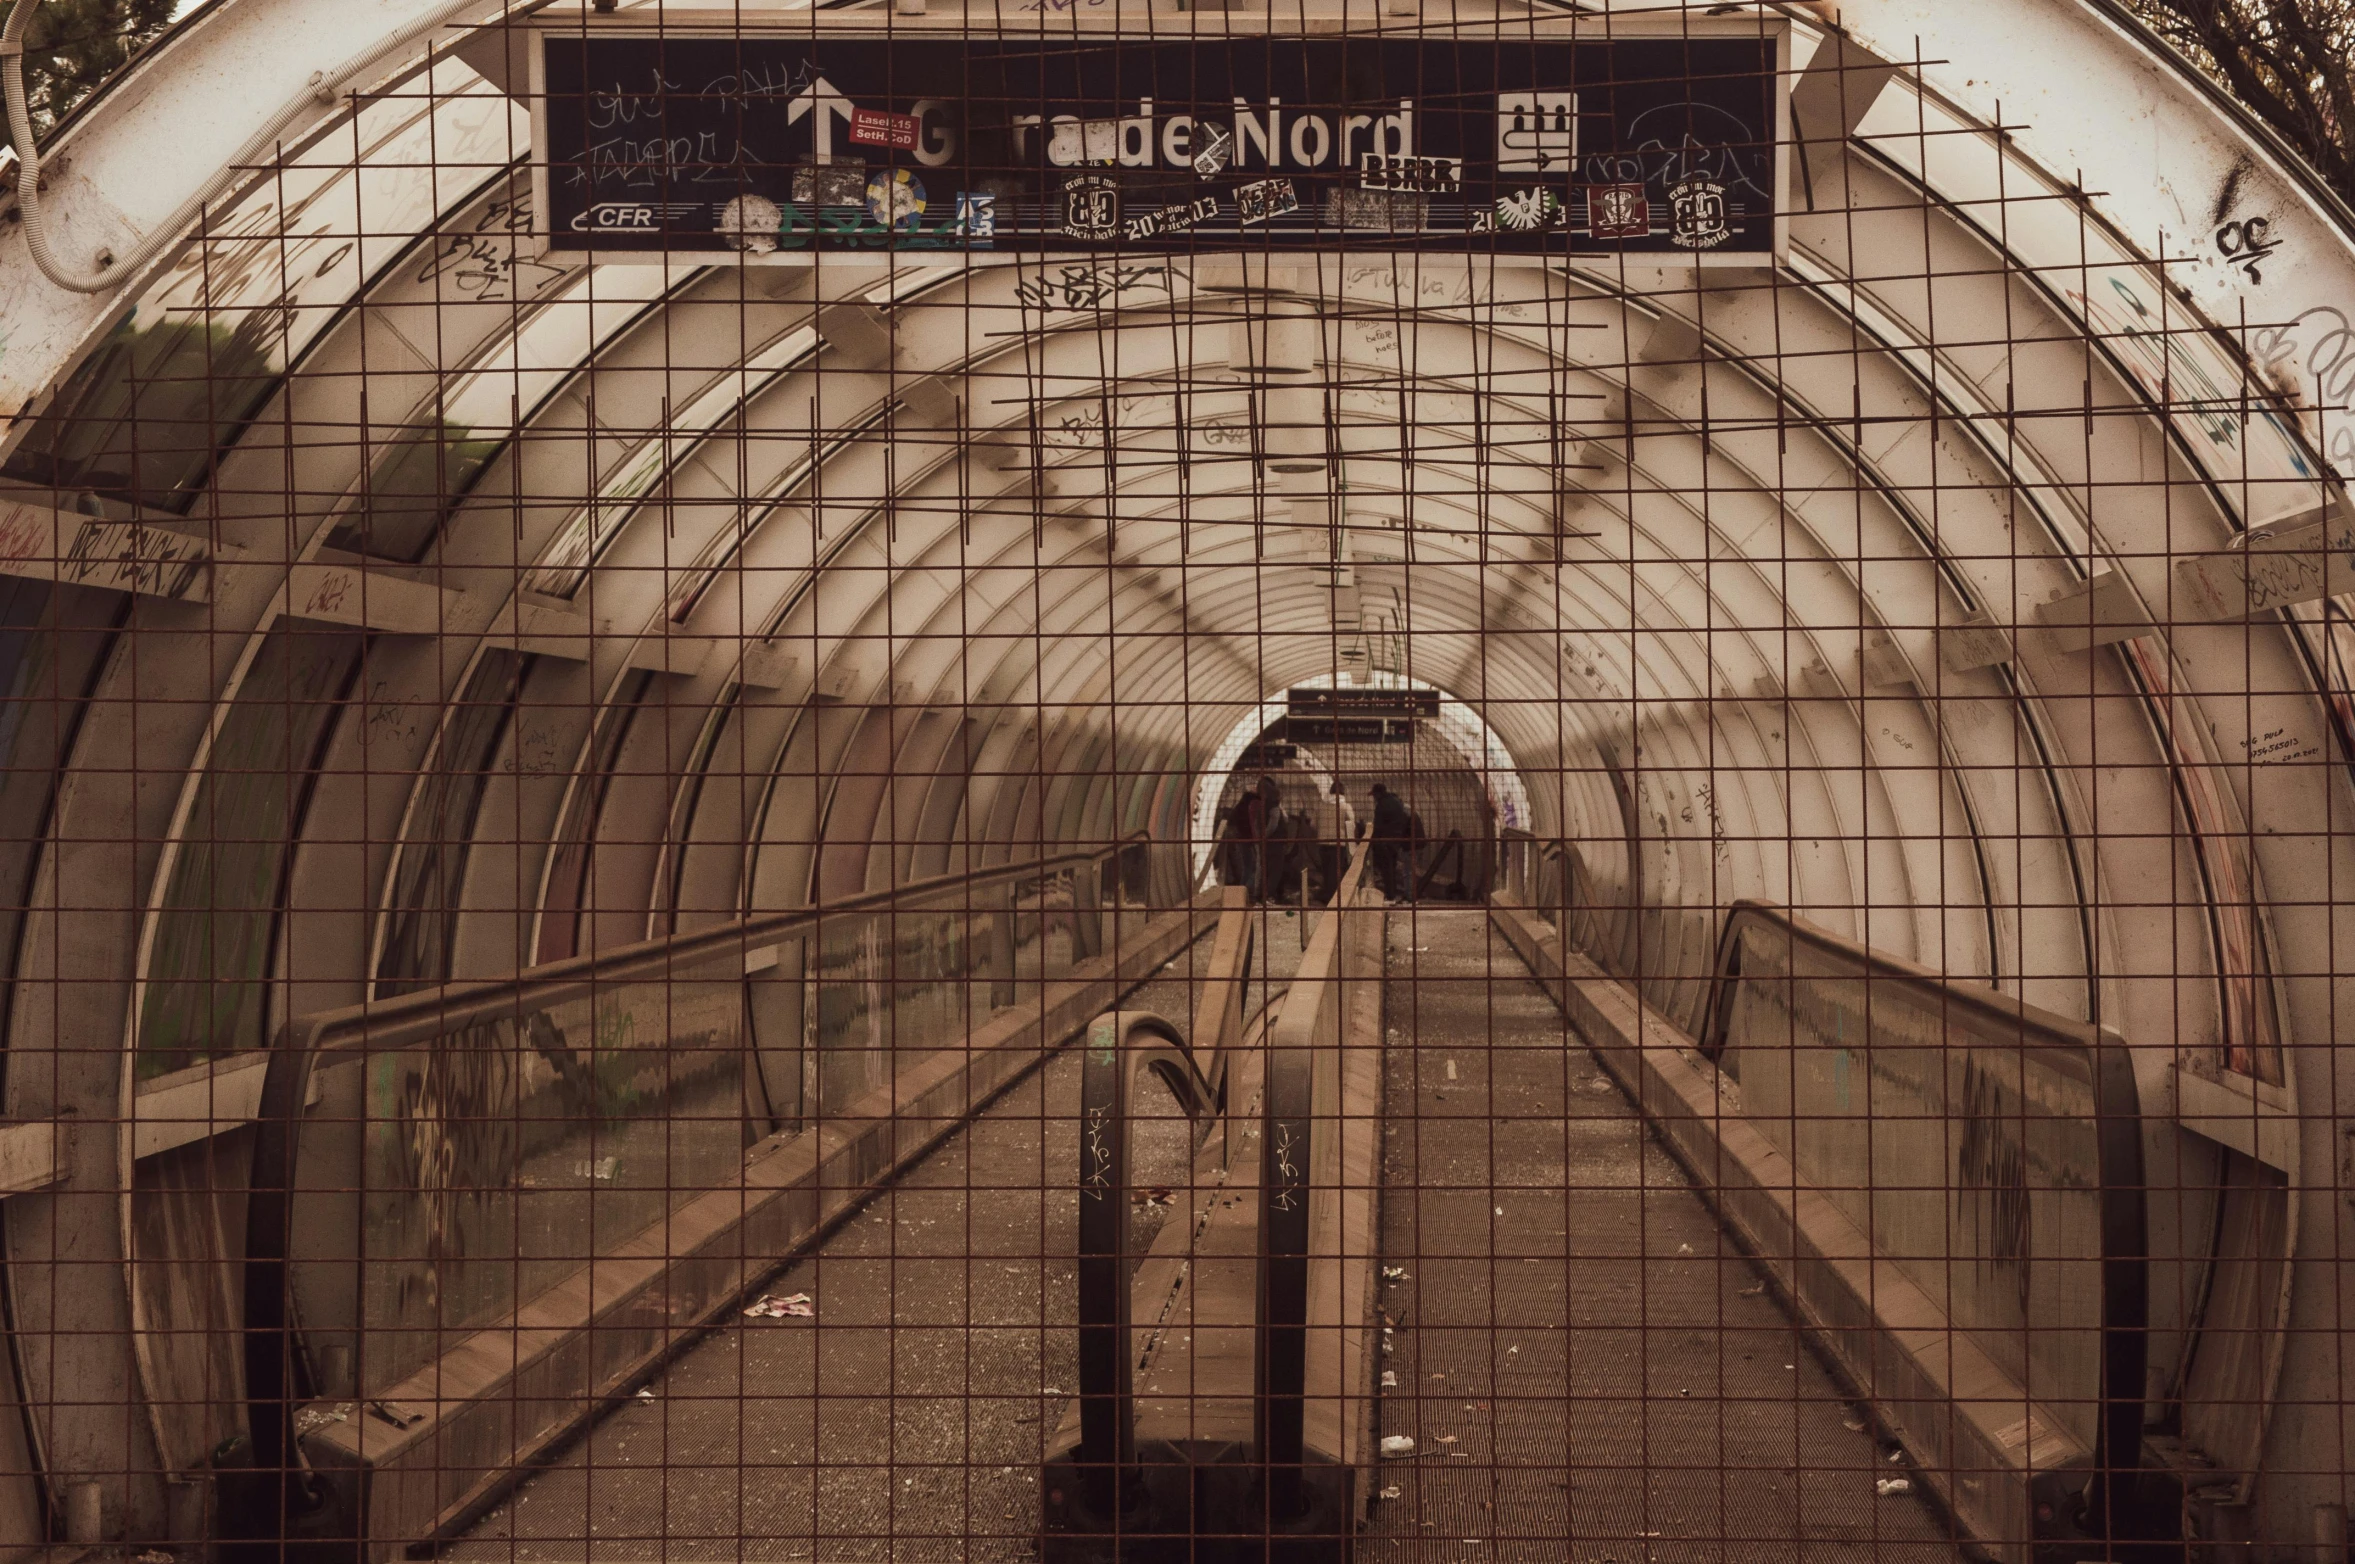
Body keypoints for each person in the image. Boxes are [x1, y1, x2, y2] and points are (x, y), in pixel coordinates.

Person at [1369, 782, 1414, 903]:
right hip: (1396, 841)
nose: (1373, 798)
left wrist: (1373, 841)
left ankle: (1390, 896)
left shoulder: (1381, 805)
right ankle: (1392, 895)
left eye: (1374, 795)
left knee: (1386, 869)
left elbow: (1378, 825)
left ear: (1378, 794)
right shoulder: (1398, 803)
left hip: (1384, 841)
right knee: (1392, 868)